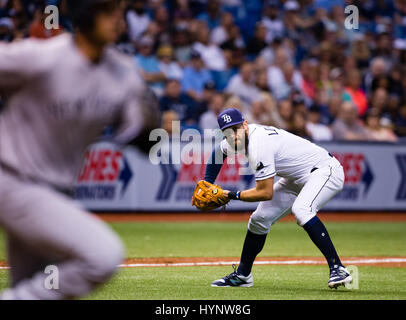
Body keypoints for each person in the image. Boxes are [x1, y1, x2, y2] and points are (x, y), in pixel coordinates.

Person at [0, 0, 157, 300]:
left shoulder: (122, 73)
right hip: (12, 180)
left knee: (41, 284)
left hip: (55, 192)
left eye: (120, 12)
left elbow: (142, 139)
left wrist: (149, 128)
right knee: (102, 255)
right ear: (87, 14)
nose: (118, 20)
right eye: (108, 11)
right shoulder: (44, 57)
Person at [204, 108, 352, 289]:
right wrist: (207, 183)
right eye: (227, 132)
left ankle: (338, 268)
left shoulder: (259, 144)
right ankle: (243, 275)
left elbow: (265, 193)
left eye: (236, 129)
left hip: (325, 170)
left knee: (302, 210)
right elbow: (218, 154)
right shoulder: (234, 139)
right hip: (295, 178)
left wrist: (230, 195)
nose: (233, 135)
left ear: (245, 125)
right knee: (259, 219)